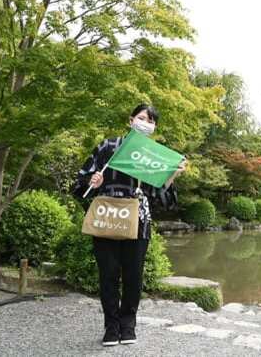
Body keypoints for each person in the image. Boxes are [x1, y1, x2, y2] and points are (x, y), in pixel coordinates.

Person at [72, 104, 186, 347]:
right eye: (142, 118)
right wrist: (93, 181)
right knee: (108, 274)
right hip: (107, 215)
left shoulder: (153, 155)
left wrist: (171, 175)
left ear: (154, 128)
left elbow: (163, 200)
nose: (146, 123)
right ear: (131, 119)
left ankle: (128, 325)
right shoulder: (108, 147)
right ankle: (111, 326)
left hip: (139, 219)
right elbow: (79, 187)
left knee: (133, 276)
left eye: (151, 121)